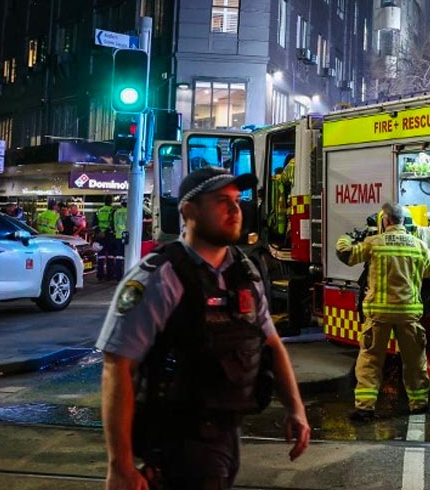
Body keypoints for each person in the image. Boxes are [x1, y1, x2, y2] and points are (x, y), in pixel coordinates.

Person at [98, 167, 310, 490]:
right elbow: (118, 367)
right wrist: (120, 465)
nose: (235, 209)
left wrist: (296, 408)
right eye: (222, 201)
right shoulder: (160, 277)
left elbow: (271, 344)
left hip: (226, 437)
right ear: (189, 211)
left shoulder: (244, 271)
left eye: (238, 200)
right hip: (179, 443)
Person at [336, 202, 430, 420]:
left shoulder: (374, 242)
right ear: (404, 221)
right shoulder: (418, 245)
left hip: (379, 315)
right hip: (408, 313)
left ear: (385, 220)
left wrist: (350, 235)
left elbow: (345, 254)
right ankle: (419, 403)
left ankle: (365, 408)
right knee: (415, 361)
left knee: (371, 361)